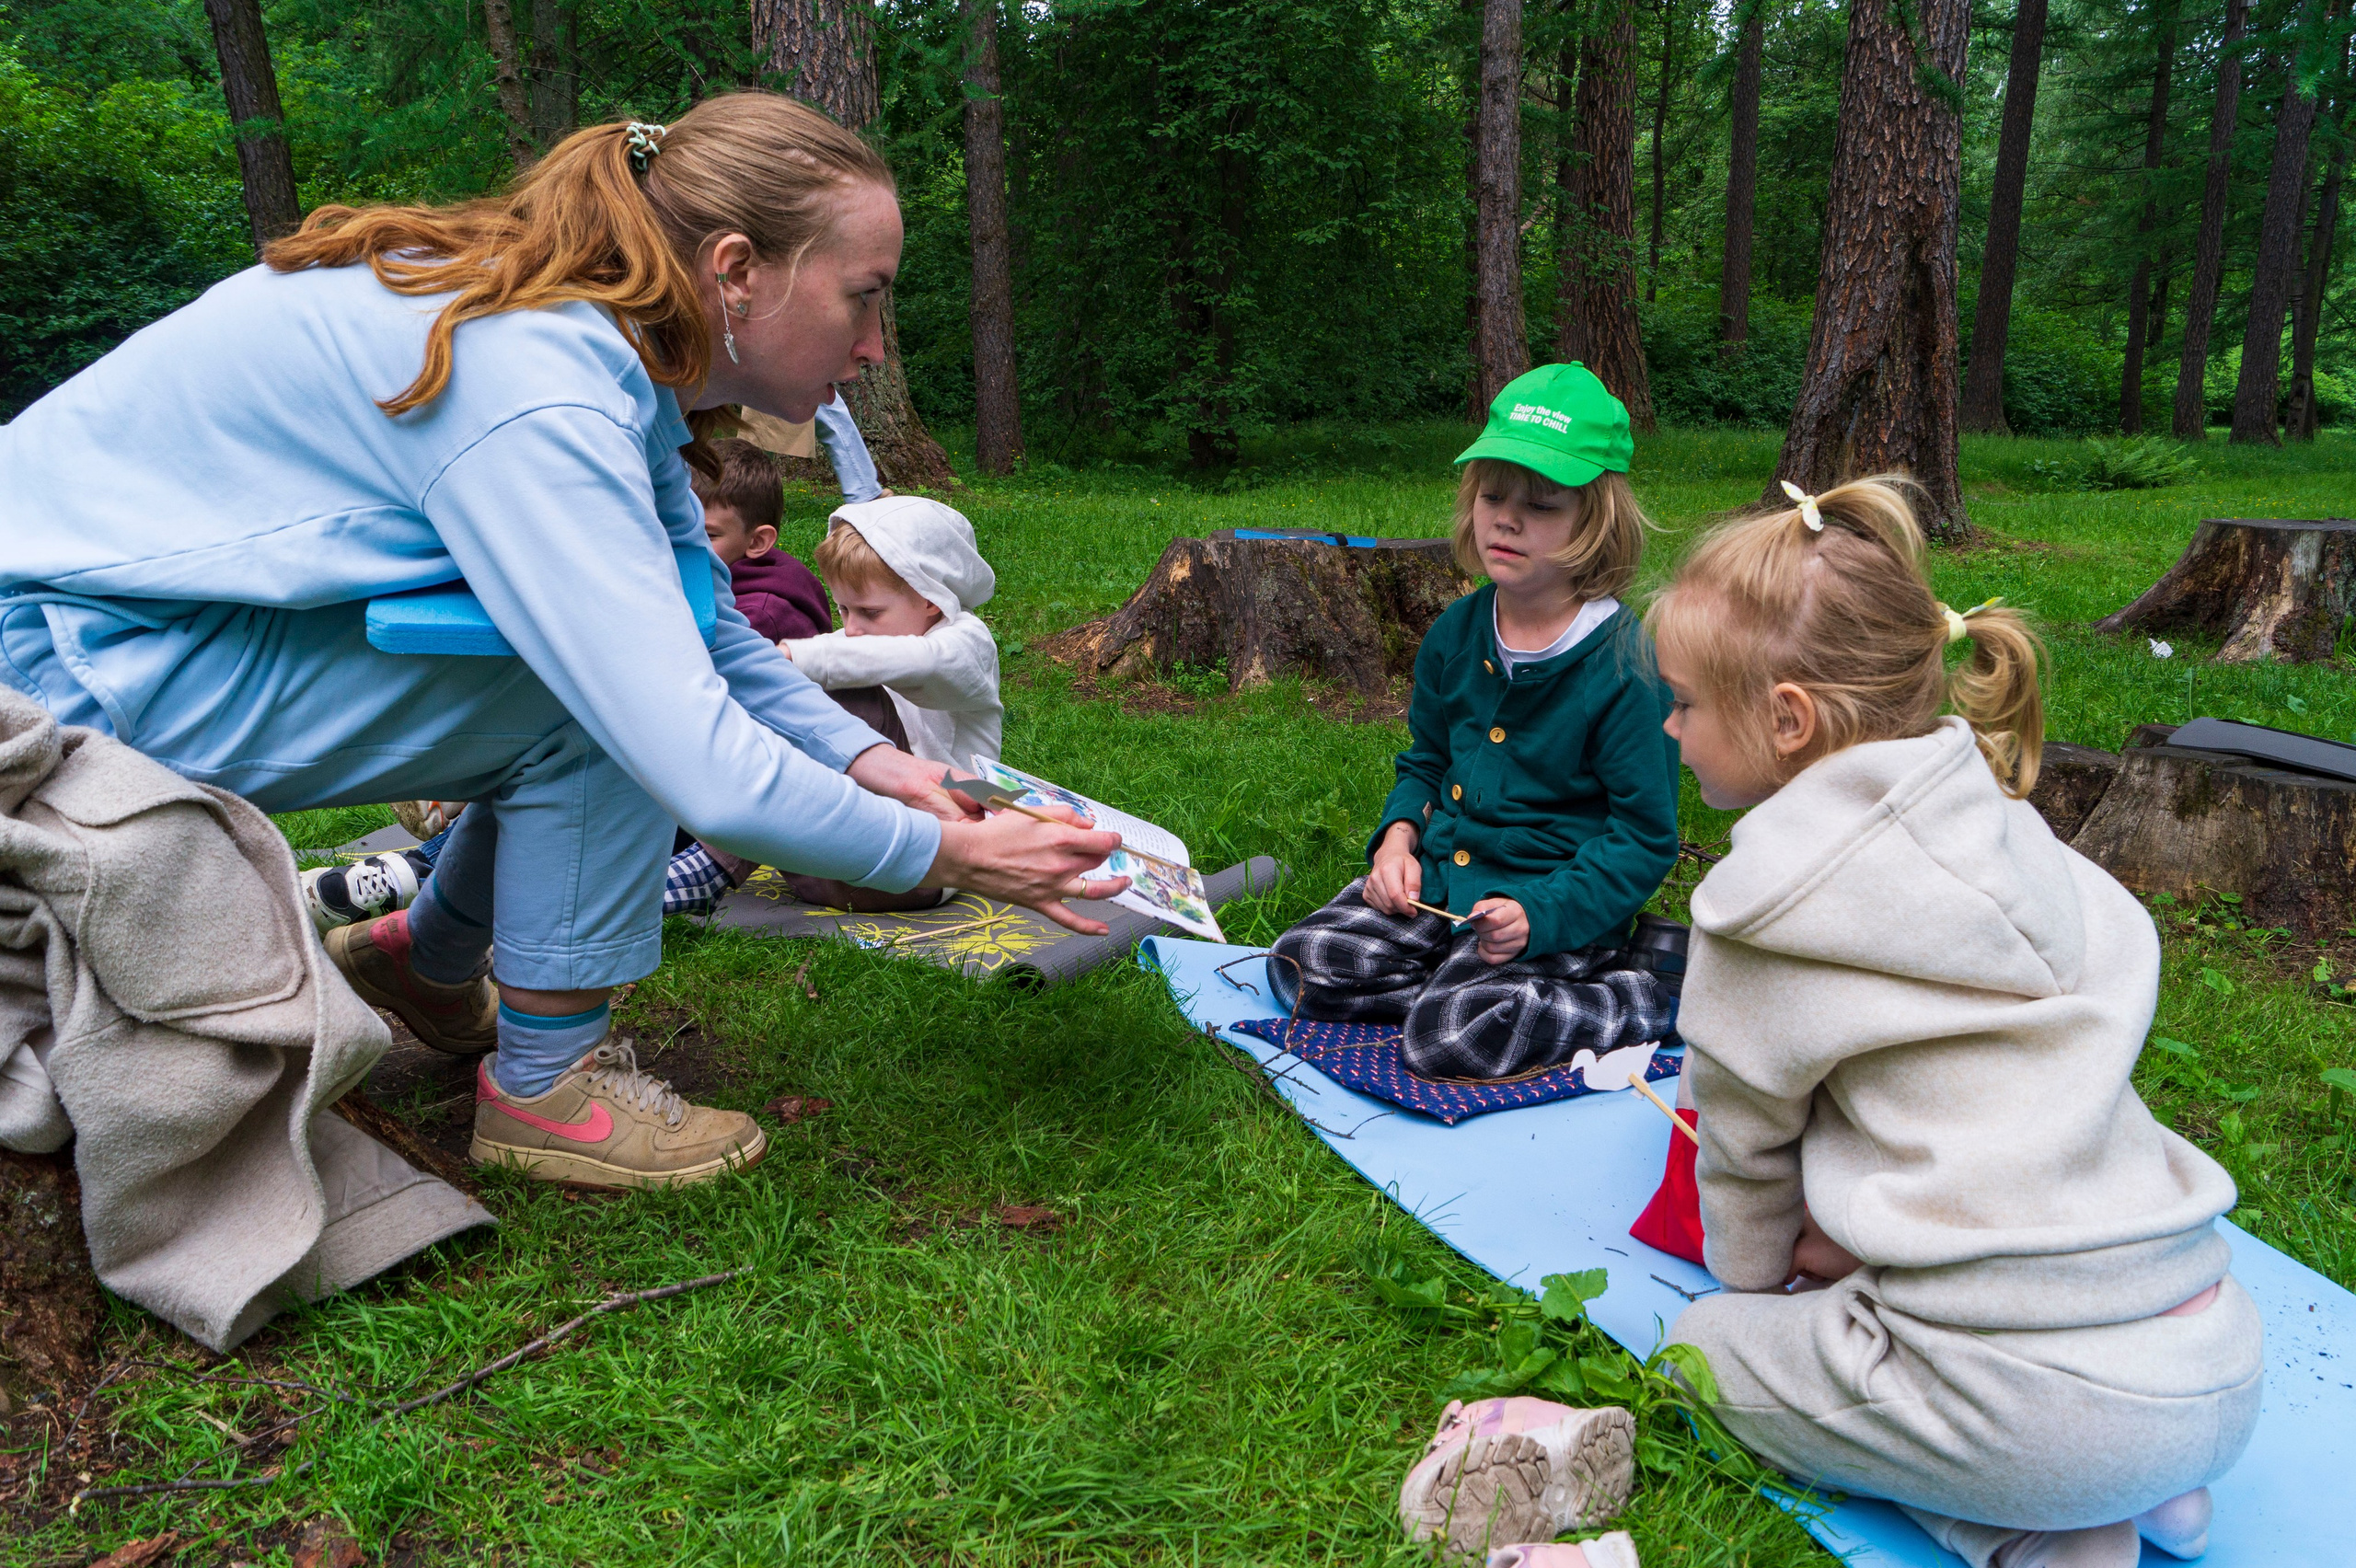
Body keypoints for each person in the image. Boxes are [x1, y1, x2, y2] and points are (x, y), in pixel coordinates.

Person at [0, 94, 1123, 1191]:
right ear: (737, 271)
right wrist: (949, 857)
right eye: (863, 298)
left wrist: (880, 764)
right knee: (596, 707)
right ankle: (546, 1092)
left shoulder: (590, 349)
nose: (876, 346)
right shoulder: (540, 387)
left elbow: (707, 624)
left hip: (121, 632)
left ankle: (424, 959)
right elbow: (688, 749)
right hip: (54, 670)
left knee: (617, 676)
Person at [1650, 477, 2260, 1568]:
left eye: (1684, 701)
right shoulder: (2008, 831)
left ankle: (2029, 1521)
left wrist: (1753, 1283)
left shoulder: (1760, 913)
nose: (1670, 725)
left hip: (2046, 1416)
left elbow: (1738, 1145)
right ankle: (2153, 1487)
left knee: (1700, 1354)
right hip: (2214, 1350)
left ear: (1785, 718)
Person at [1266, 363, 1680, 1081]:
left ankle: (1645, 995)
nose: (1508, 519)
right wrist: (1397, 842)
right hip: (1442, 890)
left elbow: (1643, 837)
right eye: (1493, 495)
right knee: (1303, 966)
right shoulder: (1457, 632)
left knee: (1446, 1041)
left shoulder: (1626, 664)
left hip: (1549, 908)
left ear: (1598, 520)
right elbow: (1426, 761)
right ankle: (1461, 992)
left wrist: (1539, 916)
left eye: (1543, 505)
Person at [784, 496, 1003, 773]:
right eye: (843, 608)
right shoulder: (862, 639)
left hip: (957, 802)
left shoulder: (969, 643)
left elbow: (923, 662)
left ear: (929, 597)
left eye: (870, 612)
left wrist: (797, 656)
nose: (851, 629)